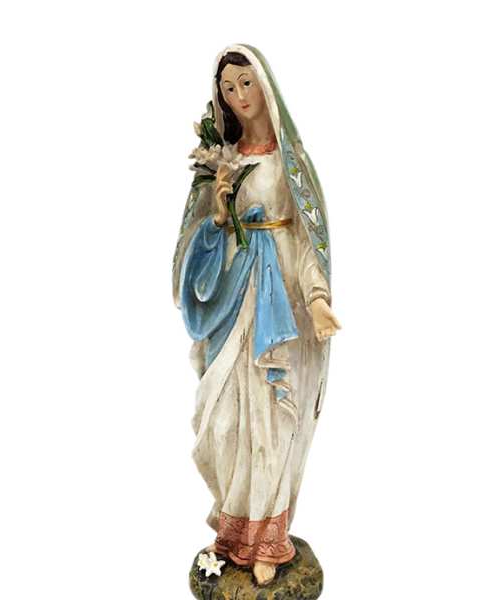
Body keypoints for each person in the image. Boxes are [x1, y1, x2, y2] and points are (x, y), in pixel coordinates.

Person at [172, 44, 341, 586]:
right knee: (225, 419)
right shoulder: (222, 161)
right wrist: (220, 212)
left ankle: (269, 536)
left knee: (270, 418)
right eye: (228, 88)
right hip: (232, 300)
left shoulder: (290, 162)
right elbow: (201, 233)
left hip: (280, 306)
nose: (238, 96)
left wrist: (317, 299)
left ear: (264, 84)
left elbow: (306, 240)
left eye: (246, 82)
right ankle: (233, 529)